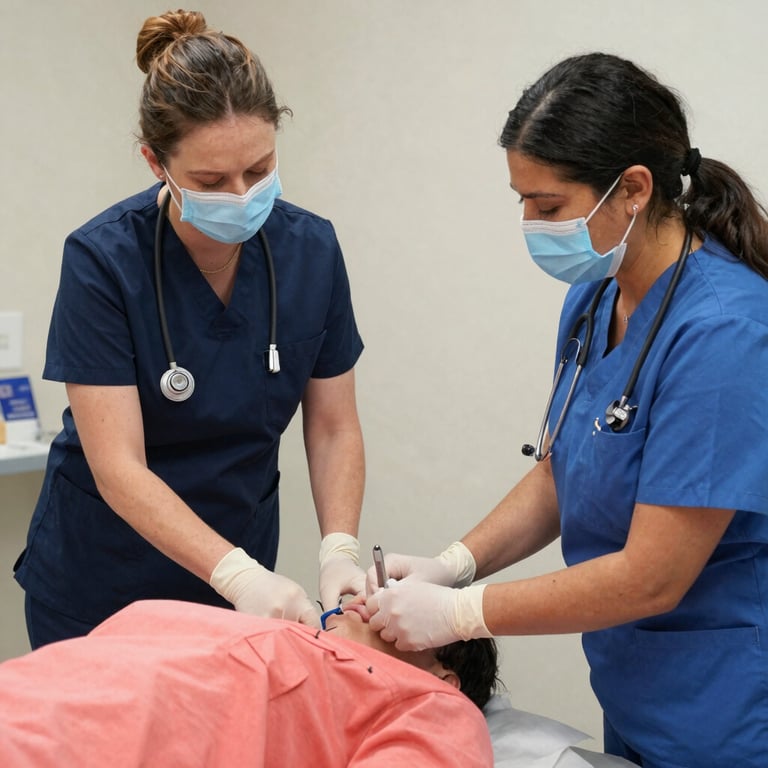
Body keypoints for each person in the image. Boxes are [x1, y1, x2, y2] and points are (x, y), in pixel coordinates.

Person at [365, 53, 768, 767]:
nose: (528, 222)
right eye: (520, 199)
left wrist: (463, 613)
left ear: (634, 189)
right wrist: (453, 564)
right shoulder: (595, 300)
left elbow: (654, 575)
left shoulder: (727, 336)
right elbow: (563, 473)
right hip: (637, 692)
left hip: (729, 710)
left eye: (548, 206)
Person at [14, 9, 366, 647]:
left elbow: (334, 424)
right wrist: (238, 575)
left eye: (259, 171)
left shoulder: (310, 251)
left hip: (240, 568)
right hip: (104, 582)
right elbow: (118, 465)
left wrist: (338, 545)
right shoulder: (102, 261)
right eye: (210, 180)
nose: (241, 195)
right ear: (157, 163)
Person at [0, 599, 498, 767]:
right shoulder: (281, 630)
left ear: (445, 675)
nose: (370, 598)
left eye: (402, 609)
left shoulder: (435, 704)